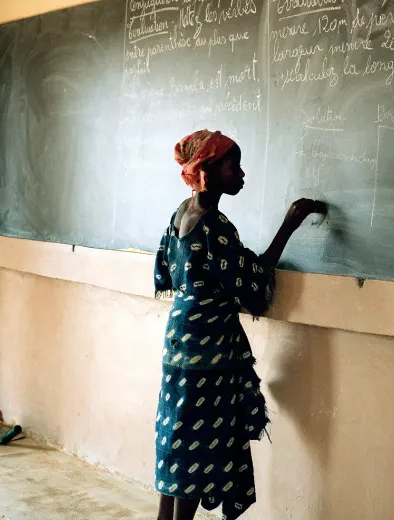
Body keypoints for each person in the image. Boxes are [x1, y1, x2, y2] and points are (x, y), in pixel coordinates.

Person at [153, 129, 324, 520]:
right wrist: (289, 225)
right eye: (234, 165)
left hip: (180, 339)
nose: (243, 173)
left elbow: (167, 269)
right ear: (209, 171)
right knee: (198, 445)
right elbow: (252, 282)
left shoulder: (181, 214)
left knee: (179, 437)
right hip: (208, 349)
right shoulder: (215, 228)